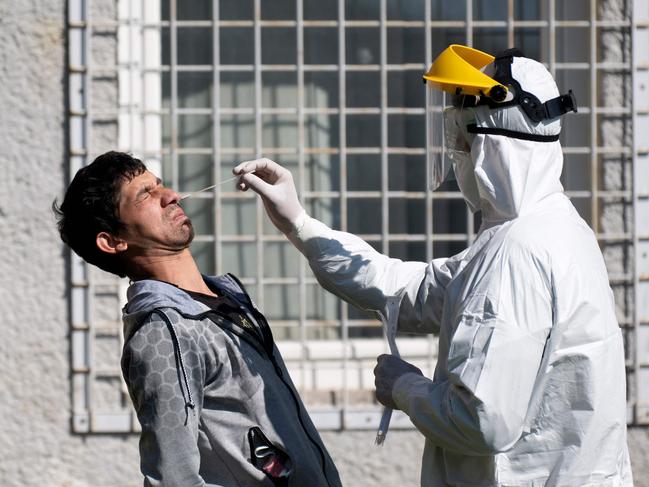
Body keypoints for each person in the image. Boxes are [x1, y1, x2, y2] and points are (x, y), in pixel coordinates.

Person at [233, 45, 633, 486]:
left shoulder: (518, 254)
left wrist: (404, 388)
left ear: (489, 144)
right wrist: (302, 225)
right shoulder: (551, 229)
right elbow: (407, 289)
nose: (457, 152)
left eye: (462, 138)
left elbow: (483, 421)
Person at [54, 151, 342, 487]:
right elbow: (172, 477)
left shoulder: (227, 298)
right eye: (145, 194)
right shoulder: (163, 330)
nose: (171, 195)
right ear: (113, 240)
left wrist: (298, 222)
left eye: (158, 184)